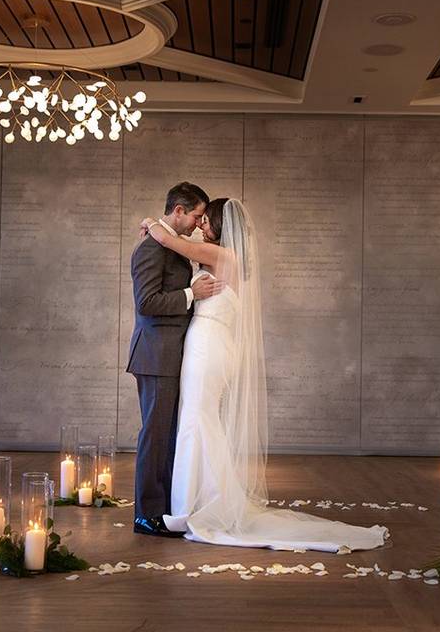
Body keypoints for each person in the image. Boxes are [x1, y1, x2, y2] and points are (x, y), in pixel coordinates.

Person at [140, 199, 387, 552]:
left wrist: (152, 222)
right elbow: (179, 246)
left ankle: (195, 507)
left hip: (208, 345)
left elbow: (170, 242)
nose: (201, 227)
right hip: (211, 344)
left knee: (196, 419)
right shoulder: (219, 255)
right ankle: (200, 500)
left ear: (223, 226)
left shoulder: (224, 257)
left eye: (206, 222)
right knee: (200, 419)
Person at [127, 182, 224, 537]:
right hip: (156, 356)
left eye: (204, 218)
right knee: (155, 435)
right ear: (179, 211)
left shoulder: (174, 245)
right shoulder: (151, 249)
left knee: (168, 434)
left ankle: (165, 508)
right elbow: (146, 303)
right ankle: (146, 515)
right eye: (197, 215)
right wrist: (189, 293)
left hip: (173, 356)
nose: (200, 223)